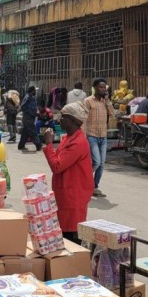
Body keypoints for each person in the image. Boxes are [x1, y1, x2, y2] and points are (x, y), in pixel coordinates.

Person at [41, 102, 94, 244]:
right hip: (65, 193)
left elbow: (57, 165)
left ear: (72, 120)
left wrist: (49, 144)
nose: (59, 119)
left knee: (70, 234)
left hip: (73, 195)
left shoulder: (78, 143)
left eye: (63, 117)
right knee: (63, 231)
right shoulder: (69, 138)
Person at [83, 77, 115, 198]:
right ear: (95, 88)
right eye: (101, 87)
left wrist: (107, 100)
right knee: (96, 162)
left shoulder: (104, 102)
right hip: (92, 135)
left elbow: (112, 114)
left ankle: (94, 187)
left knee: (101, 164)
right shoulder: (88, 101)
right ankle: (83, 181)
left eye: (104, 88)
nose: (103, 89)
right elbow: (83, 118)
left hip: (103, 136)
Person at [18, 85, 40, 151]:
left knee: (25, 133)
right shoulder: (27, 97)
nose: (35, 91)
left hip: (30, 118)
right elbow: (22, 107)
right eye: (34, 90)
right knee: (32, 132)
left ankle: (21, 145)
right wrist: (31, 112)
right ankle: (38, 144)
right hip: (28, 118)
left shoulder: (31, 97)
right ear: (32, 91)